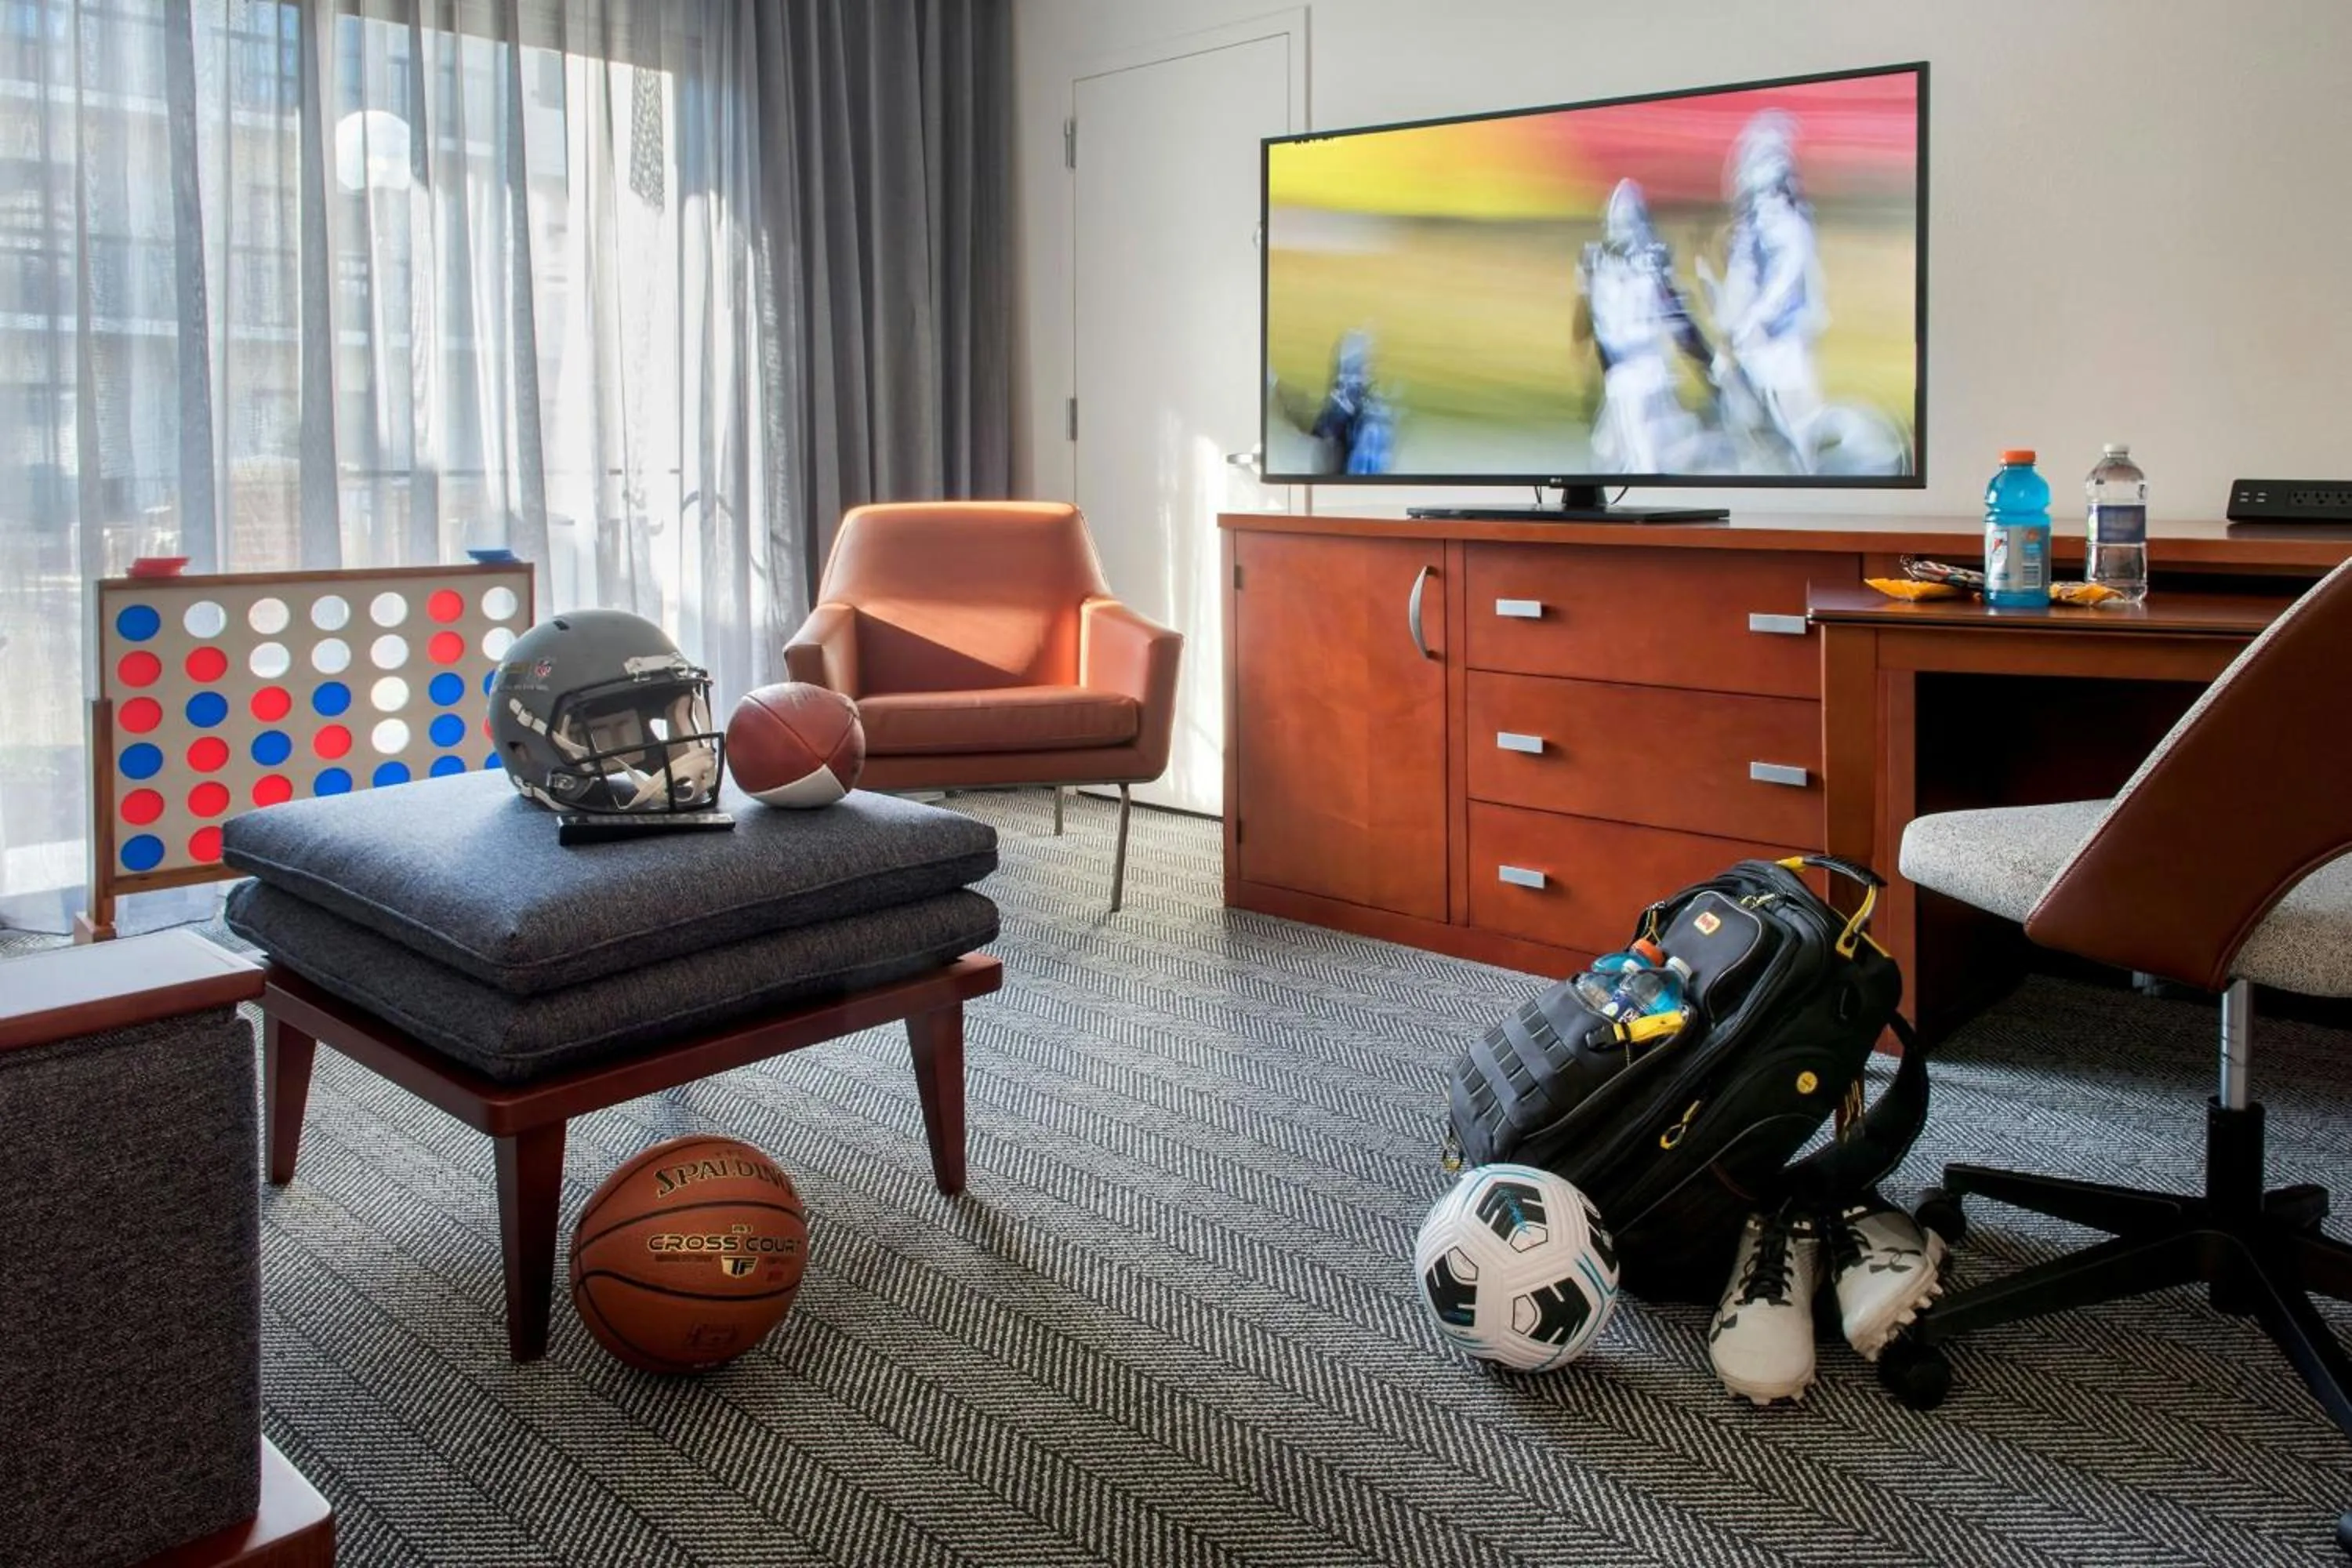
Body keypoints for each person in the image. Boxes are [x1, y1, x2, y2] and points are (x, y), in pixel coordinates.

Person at [1705, 111, 1829, 472]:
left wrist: (1753, 320)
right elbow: (1741, 283)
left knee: (1792, 432)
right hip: (1757, 344)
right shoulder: (1752, 229)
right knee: (1743, 421)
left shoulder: (1789, 227)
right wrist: (1727, 318)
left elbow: (1784, 282)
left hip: (1785, 341)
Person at [1573, 178, 1714, 474]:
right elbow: (1681, 325)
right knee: (1616, 461)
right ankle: (1712, 449)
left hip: (1627, 381)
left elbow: (1586, 329)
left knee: (1635, 467)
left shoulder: (1595, 263)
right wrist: (1709, 367)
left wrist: (1589, 381)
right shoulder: (1651, 261)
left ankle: (1711, 451)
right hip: (1647, 378)